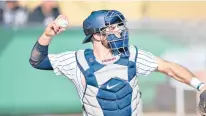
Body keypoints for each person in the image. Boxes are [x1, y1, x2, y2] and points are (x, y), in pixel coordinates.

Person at [29, 10, 206, 116]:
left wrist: (201, 86)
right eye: (111, 28)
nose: (119, 32)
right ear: (96, 35)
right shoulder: (77, 60)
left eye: (119, 27)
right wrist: (47, 35)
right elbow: (38, 60)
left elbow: (169, 67)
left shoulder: (131, 54)